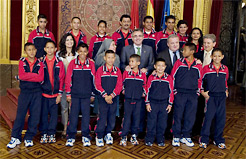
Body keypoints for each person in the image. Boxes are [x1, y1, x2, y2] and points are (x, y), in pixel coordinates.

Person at [7, 43, 44, 148]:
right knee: (20, 115)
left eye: (33, 49)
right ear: (25, 51)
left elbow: (40, 78)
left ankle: (29, 137)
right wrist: (30, 76)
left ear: (36, 51)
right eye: (29, 50)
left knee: (35, 116)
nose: (31, 52)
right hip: (25, 92)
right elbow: (22, 75)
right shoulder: (22, 62)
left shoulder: (40, 63)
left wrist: (24, 77)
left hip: (37, 92)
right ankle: (15, 137)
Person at [171, 43, 202, 147]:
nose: (182, 51)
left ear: (192, 52)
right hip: (180, 93)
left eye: (184, 50)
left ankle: (186, 136)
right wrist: (175, 91)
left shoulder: (198, 65)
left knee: (190, 116)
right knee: (178, 115)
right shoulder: (179, 63)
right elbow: (173, 77)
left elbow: (200, 79)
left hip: (192, 94)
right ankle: (176, 136)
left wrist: (197, 92)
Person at [65, 43, 95, 147]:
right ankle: (71, 136)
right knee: (73, 116)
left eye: (84, 51)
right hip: (75, 95)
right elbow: (68, 79)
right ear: (77, 52)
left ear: (87, 52)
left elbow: (93, 80)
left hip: (86, 96)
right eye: (80, 51)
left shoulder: (91, 64)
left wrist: (92, 94)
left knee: (86, 116)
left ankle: (85, 136)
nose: (82, 53)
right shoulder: (73, 63)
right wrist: (68, 94)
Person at [199, 48, 229, 149]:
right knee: (208, 118)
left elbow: (225, 81)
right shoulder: (206, 68)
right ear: (211, 57)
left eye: (219, 56)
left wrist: (226, 90)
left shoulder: (225, 69)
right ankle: (204, 139)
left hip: (221, 97)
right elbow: (200, 81)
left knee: (221, 119)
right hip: (211, 97)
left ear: (222, 57)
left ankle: (218, 139)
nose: (216, 58)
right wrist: (203, 92)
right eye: (214, 56)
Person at [95, 50, 122, 147]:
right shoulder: (100, 70)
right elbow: (97, 84)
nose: (110, 60)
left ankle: (108, 134)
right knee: (102, 117)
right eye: (108, 57)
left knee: (111, 117)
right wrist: (106, 95)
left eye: (112, 57)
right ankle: (99, 136)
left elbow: (119, 85)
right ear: (105, 58)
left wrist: (112, 95)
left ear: (115, 59)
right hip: (103, 98)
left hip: (113, 98)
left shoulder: (117, 71)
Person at [39, 40, 65, 144]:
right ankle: (44, 133)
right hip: (44, 94)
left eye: (52, 48)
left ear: (55, 49)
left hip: (55, 95)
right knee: (44, 115)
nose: (50, 50)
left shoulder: (59, 62)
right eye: (47, 48)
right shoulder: (41, 62)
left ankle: (51, 133)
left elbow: (62, 78)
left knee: (54, 116)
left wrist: (59, 94)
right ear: (45, 49)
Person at [145, 58, 174, 146]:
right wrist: (147, 103)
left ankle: (160, 139)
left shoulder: (168, 78)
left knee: (162, 122)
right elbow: (147, 91)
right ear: (155, 66)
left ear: (165, 67)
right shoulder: (151, 77)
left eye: (162, 66)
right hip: (153, 103)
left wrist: (170, 104)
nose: (160, 68)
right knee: (151, 122)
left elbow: (171, 92)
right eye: (158, 66)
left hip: (164, 104)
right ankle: (149, 139)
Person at [119, 54, 147, 146]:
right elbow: (122, 83)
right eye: (129, 61)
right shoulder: (126, 73)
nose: (130, 63)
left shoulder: (142, 74)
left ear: (138, 63)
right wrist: (124, 91)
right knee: (126, 118)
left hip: (138, 100)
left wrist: (143, 93)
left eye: (132, 61)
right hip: (127, 100)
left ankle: (134, 135)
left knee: (136, 118)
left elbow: (145, 86)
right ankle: (124, 135)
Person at [57, 33, 77, 136]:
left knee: (72, 107)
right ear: (64, 42)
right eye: (68, 40)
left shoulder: (77, 55)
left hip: (74, 86)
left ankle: (71, 127)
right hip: (63, 86)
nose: (70, 42)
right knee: (64, 107)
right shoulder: (59, 55)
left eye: (71, 40)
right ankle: (65, 127)